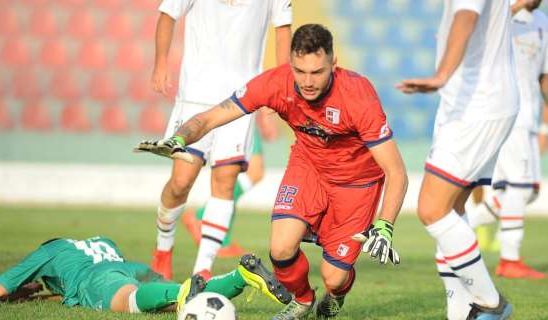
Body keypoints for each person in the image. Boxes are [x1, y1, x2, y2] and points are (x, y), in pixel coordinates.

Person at [138, 24, 408, 320]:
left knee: (335, 277)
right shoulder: (275, 83)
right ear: (290, 63)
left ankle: (335, 296)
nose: (307, 81)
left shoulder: (358, 95)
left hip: (356, 184)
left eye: (317, 72)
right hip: (309, 167)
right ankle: (303, 300)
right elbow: (212, 116)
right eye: (299, 71)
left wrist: (385, 225)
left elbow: (396, 172)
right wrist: (180, 138)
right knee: (280, 249)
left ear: (334, 63)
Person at [150, 0, 292, 280]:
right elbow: (168, 14)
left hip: (242, 100)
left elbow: (283, 31)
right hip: (195, 97)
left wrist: (280, 89)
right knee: (180, 183)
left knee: (225, 182)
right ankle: (163, 250)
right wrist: (161, 62)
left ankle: (202, 270)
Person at [397, 0, 518, 319]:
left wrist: (441, 76)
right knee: (451, 211)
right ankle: (460, 313)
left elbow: (466, 17)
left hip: (477, 107)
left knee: (432, 210)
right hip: (472, 105)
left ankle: (491, 304)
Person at [0, 237, 291, 313]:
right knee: (172, 301)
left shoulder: (50, 250)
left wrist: (24, 292)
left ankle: (182, 294)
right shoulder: (99, 240)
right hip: (128, 268)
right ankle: (240, 276)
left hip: (97, 279)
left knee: (134, 301)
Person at [465, 0, 548, 280]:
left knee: (516, 192)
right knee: (521, 189)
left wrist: (545, 126)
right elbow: (473, 34)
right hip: (506, 112)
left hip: (529, 117)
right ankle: (510, 259)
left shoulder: (543, 23)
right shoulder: (499, 13)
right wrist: (512, 7)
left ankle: (456, 230)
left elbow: (544, 77)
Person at [182, 120, 279, 258]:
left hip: (240, 115)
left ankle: (222, 239)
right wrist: (267, 117)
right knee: (252, 172)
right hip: (239, 115)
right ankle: (203, 218)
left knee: (243, 175)